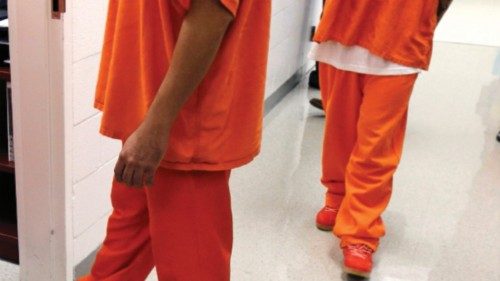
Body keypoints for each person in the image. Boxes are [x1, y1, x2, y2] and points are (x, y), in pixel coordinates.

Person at [78, 0, 270, 280]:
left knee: (193, 264)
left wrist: (157, 124)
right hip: (151, 112)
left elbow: (211, 15)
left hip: (179, 125)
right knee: (127, 238)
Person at [310, 0, 453, 278]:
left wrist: (428, 21)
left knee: (376, 146)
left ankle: (361, 233)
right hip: (341, 31)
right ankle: (337, 196)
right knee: (338, 135)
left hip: (402, 35)